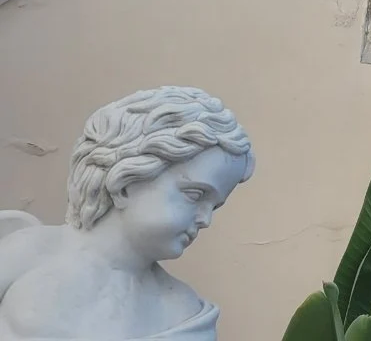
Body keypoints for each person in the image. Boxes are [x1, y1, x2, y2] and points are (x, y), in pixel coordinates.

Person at [0, 87, 253, 341]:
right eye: (196, 195)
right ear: (125, 183)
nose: (205, 220)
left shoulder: (183, 312)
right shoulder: (27, 252)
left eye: (215, 206)